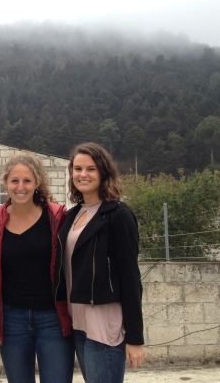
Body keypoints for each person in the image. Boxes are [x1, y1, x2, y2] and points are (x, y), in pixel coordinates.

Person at [57, 142, 145, 383]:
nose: (82, 174)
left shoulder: (118, 215)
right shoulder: (72, 215)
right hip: (78, 322)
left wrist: (135, 338)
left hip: (105, 327)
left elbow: (130, 277)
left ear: (104, 172)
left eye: (91, 169)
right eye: (77, 169)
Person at [0, 154, 74, 383]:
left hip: (52, 318)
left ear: (37, 183)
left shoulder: (57, 217)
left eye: (27, 181)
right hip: (12, 319)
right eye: (14, 181)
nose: (20, 187)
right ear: (5, 182)